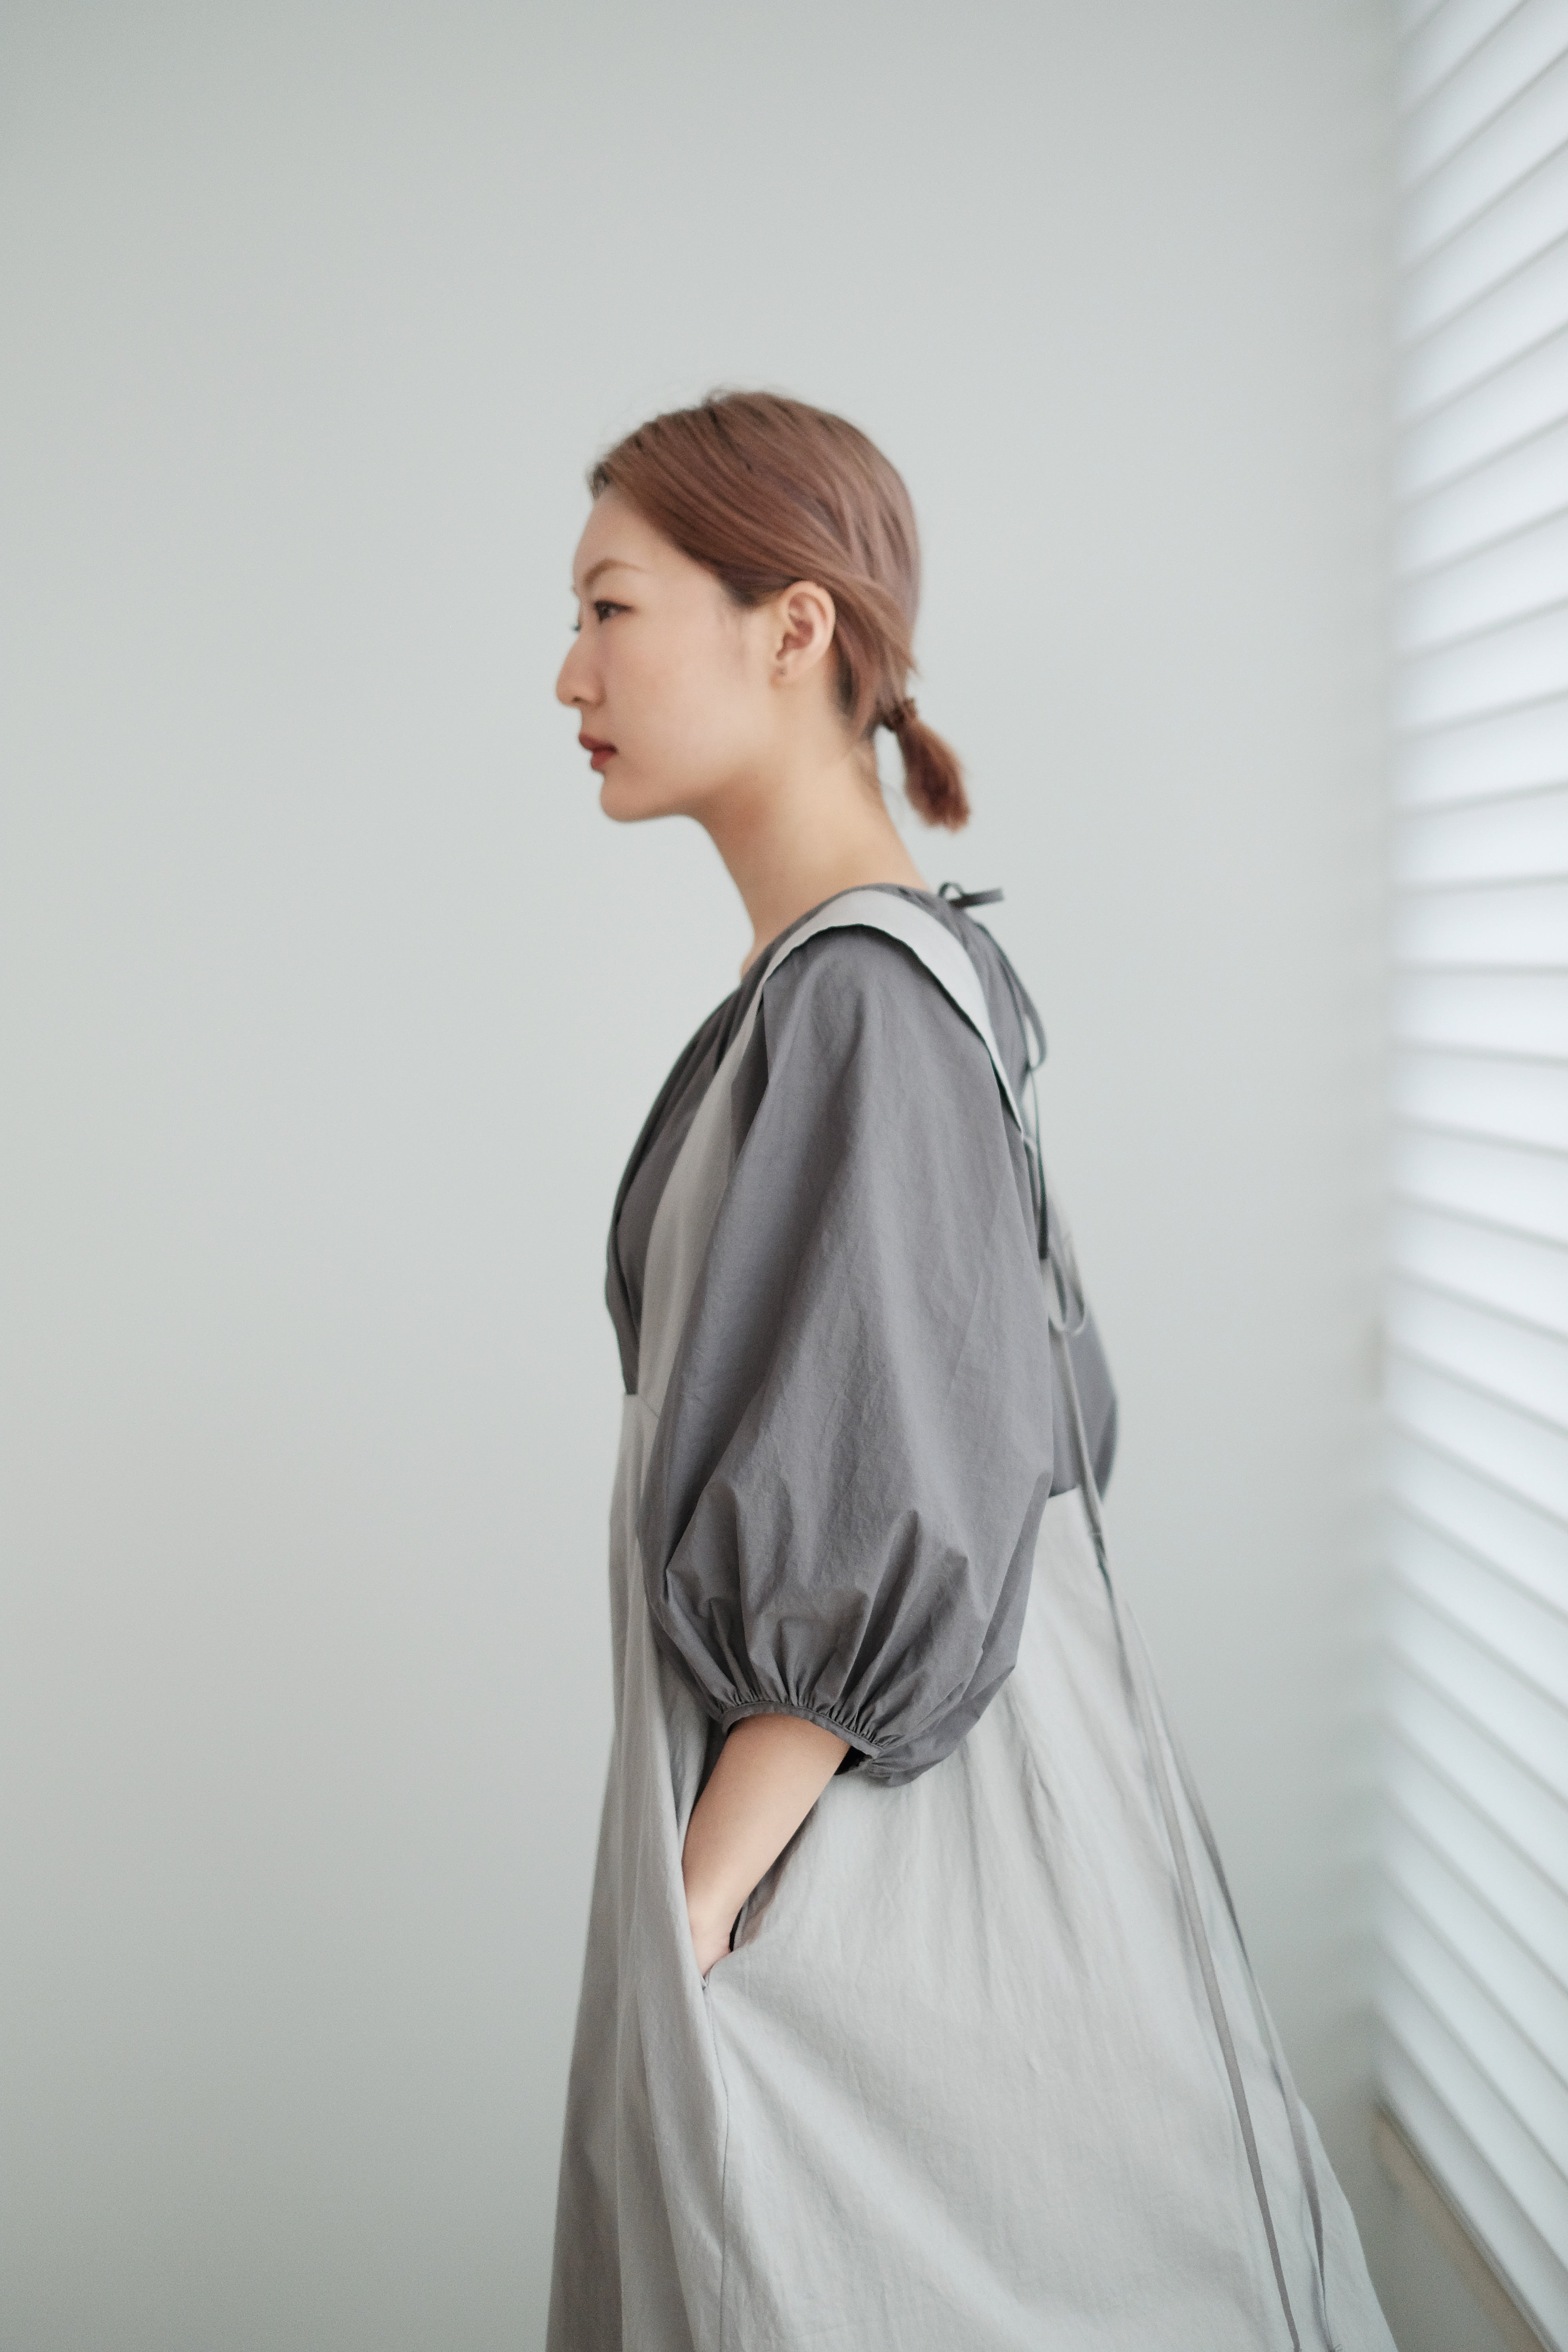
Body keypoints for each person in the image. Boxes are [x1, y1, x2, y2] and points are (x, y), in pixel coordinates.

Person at [546, 390, 1393, 2351]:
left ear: (791, 628)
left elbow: (891, 1508)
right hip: (890, 1893)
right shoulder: (851, 987)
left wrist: (692, 1922)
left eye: (608, 608)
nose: (568, 672)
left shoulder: (861, 1002)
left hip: (879, 1929)